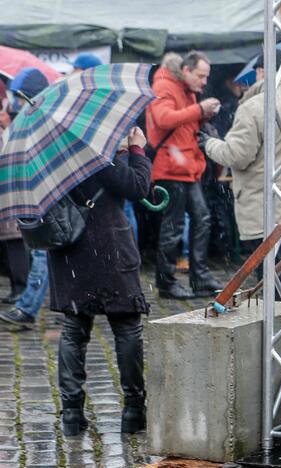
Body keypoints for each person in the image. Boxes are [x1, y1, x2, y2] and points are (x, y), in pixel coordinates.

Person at [52, 127, 151, 436]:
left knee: (74, 330)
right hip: (108, 245)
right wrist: (136, 151)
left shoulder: (52, 155)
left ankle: (71, 414)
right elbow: (137, 187)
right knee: (127, 326)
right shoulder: (95, 149)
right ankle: (134, 410)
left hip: (70, 250)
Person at [203, 49, 281, 301]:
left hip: (266, 206)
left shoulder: (256, 106)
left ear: (261, 72)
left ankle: (278, 335)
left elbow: (236, 155)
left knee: (274, 277)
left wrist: (209, 143)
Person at [146, 51, 223, 299]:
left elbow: (184, 124)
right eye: (201, 76)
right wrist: (199, 109)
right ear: (186, 71)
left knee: (202, 219)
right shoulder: (164, 85)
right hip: (170, 168)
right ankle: (166, 283)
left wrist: (203, 114)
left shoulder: (185, 89)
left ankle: (199, 277)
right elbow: (164, 119)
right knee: (173, 227)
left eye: (206, 77)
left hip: (186, 167)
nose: (204, 82)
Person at [0, 71, 51, 329]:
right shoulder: (36, 116)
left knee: (44, 253)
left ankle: (28, 308)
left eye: (18, 96)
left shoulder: (38, 119)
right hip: (47, 196)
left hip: (49, 198)